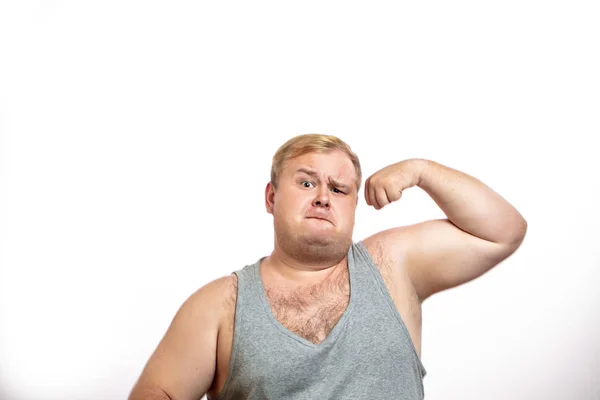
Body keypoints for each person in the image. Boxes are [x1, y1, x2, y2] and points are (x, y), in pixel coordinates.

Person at [128, 134, 527, 400]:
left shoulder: (393, 264)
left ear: (354, 205)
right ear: (271, 197)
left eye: (339, 189)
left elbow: (502, 231)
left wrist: (420, 171)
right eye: (306, 183)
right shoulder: (220, 305)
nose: (323, 198)